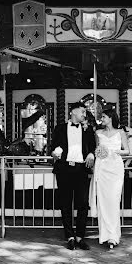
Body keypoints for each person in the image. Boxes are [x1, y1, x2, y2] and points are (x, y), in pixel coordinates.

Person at [51, 101, 95, 250]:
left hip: (81, 170)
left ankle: (80, 236)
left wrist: (91, 154)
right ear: (73, 112)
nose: (84, 114)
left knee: (83, 203)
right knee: (65, 203)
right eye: (82, 111)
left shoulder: (87, 129)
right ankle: (69, 236)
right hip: (64, 169)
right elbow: (52, 148)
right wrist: (54, 153)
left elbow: (93, 147)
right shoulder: (60, 128)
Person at [89, 107, 129, 250]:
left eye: (104, 117)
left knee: (113, 200)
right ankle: (105, 235)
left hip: (115, 169)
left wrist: (114, 151)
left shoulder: (120, 132)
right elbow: (96, 149)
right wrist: (97, 153)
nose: (102, 119)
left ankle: (114, 235)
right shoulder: (98, 133)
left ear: (111, 118)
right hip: (102, 169)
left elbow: (128, 151)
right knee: (103, 202)